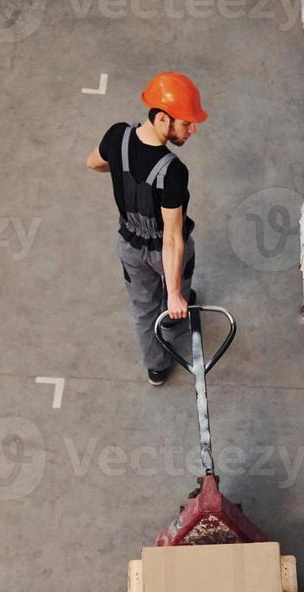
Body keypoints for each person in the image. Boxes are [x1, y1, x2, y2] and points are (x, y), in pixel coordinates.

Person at [87, 71, 207, 386]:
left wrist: (122, 167)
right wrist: (176, 293)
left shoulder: (116, 137)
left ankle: (155, 367)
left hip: (129, 245)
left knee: (143, 307)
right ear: (164, 119)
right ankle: (173, 319)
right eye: (186, 123)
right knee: (175, 289)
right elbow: (171, 238)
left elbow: (93, 163)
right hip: (161, 249)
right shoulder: (173, 172)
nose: (192, 130)